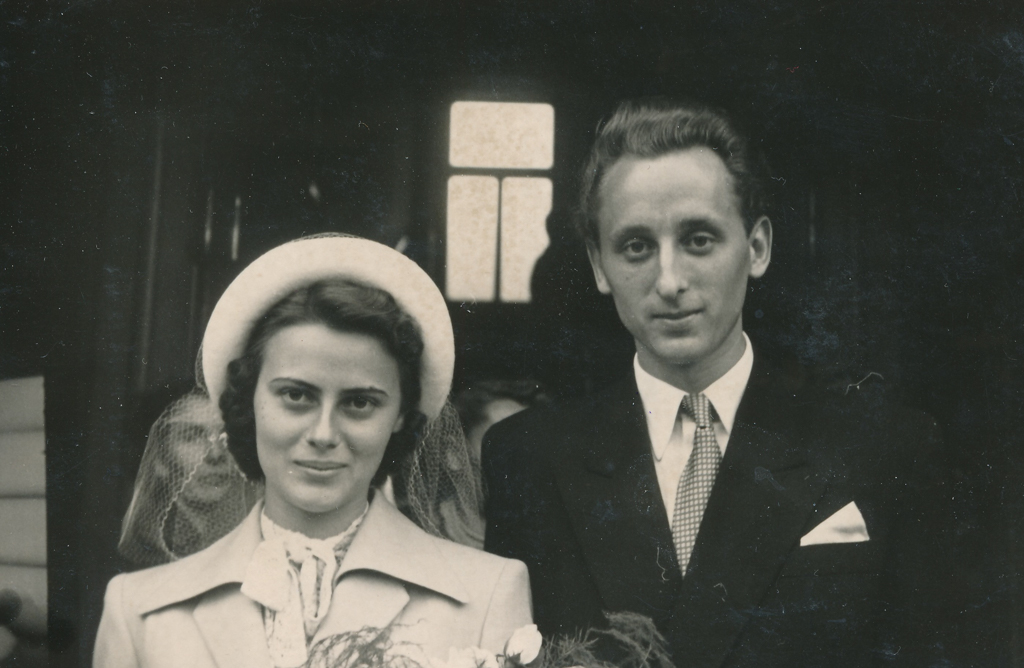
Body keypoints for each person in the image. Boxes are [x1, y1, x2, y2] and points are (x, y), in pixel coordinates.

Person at [483, 100, 951, 667]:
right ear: (600, 266)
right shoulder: (528, 459)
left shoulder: (882, 447)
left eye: (699, 240)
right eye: (636, 247)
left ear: (757, 248)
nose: (669, 281)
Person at [95, 235, 532, 668]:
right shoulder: (140, 611)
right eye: (296, 396)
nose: (323, 434)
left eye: (359, 402)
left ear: (401, 415)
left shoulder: (486, 596)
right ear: (249, 400)